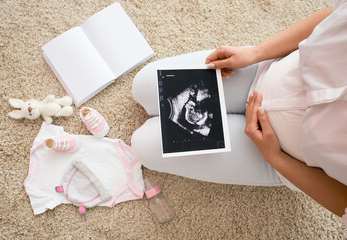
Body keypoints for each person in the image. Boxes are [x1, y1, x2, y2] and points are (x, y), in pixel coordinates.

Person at [131, 0, 347, 221]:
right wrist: (256, 52)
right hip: (264, 72)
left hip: (280, 155)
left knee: (143, 145)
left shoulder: (275, 155)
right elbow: (334, 16)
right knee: (142, 86)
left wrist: (275, 157)